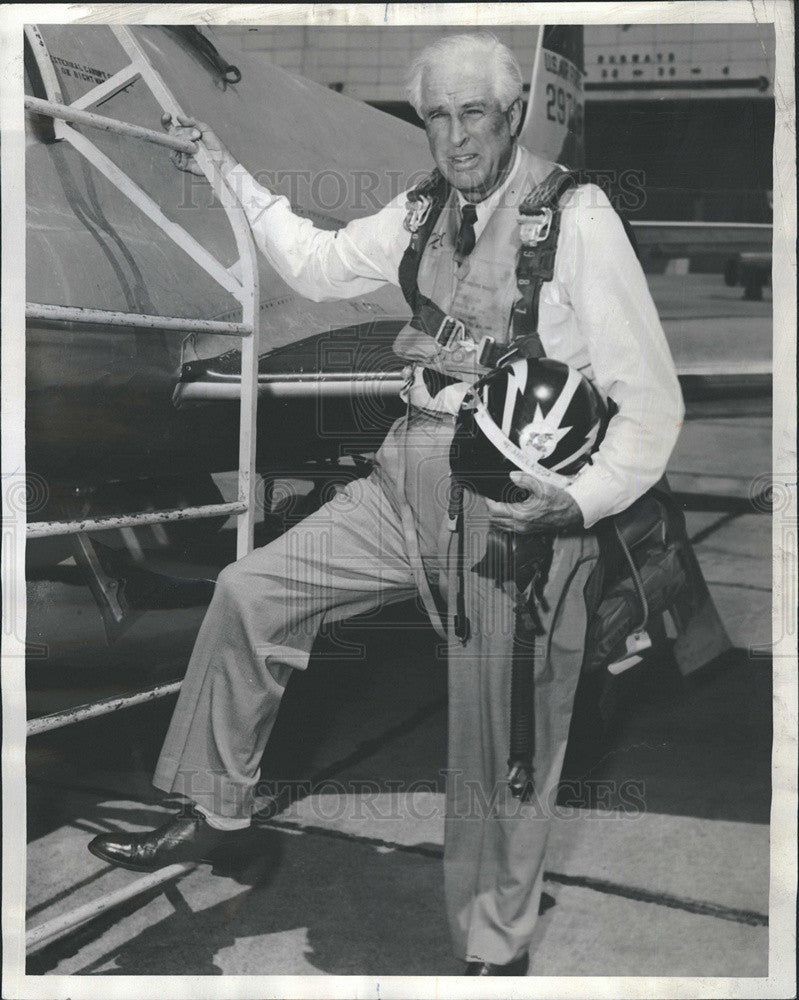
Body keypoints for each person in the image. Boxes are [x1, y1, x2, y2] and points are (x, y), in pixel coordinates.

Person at [89, 33, 684, 975]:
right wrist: (218, 166)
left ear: (512, 111)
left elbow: (650, 402)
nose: (455, 137)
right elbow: (316, 263)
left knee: (497, 744)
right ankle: (215, 809)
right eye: (437, 116)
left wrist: (576, 505)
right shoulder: (422, 210)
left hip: (509, 503)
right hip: (403, 475)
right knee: (251, 591)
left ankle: (495, 943)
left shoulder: (577, 216)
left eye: (474, 114)